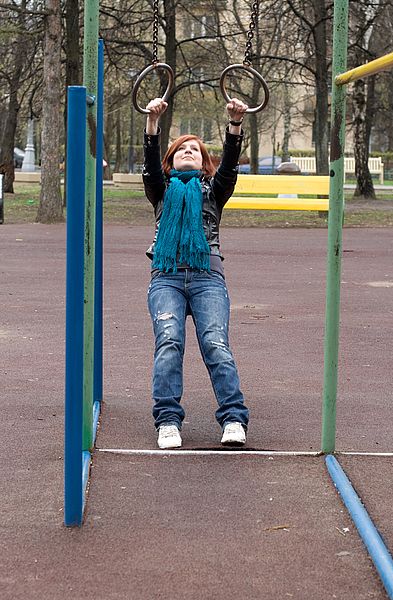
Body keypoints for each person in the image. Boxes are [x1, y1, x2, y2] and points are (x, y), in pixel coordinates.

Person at [143, 96, 250, 449]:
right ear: (171, 160)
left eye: (195, 149)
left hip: (207, 278)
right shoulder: (161, 190)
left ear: (204, 162)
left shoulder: (212, 193)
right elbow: (150, 166)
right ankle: (168, 421)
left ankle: (234, 418)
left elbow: (230, 168)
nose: (189, 151)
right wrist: (152, 125)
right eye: (181, 148)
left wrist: (234, 125)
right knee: (169, 342)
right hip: (167, 276)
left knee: (216, 344)